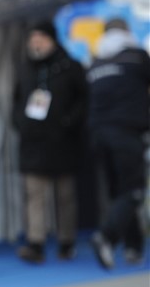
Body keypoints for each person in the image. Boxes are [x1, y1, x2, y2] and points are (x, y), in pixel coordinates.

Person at [11, 21, 88, 263]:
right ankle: (36, 243)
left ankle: (66, 241)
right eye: (33, 38)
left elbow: (84, 99)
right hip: (33, 142)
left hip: (62, 141)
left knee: (65, 195)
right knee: (35, 194)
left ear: (52, 40)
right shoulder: (25, 68)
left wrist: (68, 122)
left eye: (41, 38)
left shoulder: (69, 67)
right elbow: (16, 101)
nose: (36, 43)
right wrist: (20, 123)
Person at [87, 19, 150, 269]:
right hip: (126, 132)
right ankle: (107, 237)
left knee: (120, 193)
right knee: (133, 191)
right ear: (126, 32)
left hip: (98, 135)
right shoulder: (137, 56)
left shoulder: (96, 61)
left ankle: (133, 247)